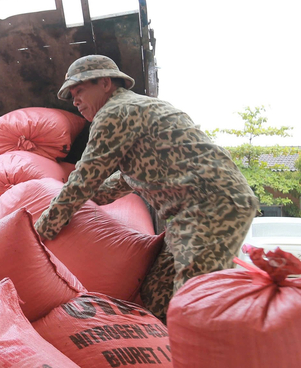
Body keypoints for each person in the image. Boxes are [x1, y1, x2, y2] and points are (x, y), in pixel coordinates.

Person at [34, 55, 258, 321]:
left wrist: (39, 233)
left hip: (212, 206)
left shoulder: (115, 113)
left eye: (80, 90)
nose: (75, 101)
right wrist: (60, 191)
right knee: (157, 293)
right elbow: (116, 183)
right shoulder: (139, 110)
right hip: (195, 210)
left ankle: (218, 356)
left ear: (105, 83)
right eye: (72, 95)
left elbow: (84, 180)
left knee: (195, 304)